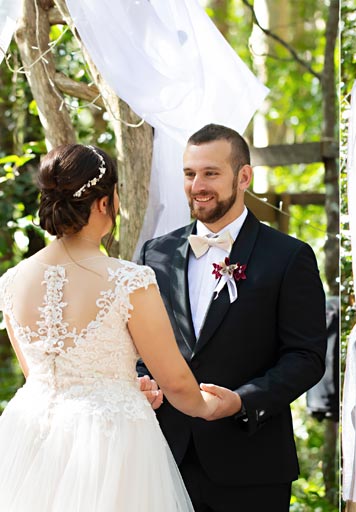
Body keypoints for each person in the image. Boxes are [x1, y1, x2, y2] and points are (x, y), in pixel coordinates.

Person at [0, 144, 225, 511]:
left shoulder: (10, 282)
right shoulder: (129, 280)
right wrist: (213, 407)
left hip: (27, 437)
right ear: (104, 203)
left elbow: (41, 375)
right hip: (110, 445)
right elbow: (177, 383)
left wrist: (117, 381)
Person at [136, 124, 327, 511]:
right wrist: (144, 382)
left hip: (251, 464)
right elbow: (142, 346)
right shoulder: (155, 254)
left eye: (210, 173)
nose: (197, 186)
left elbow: (306, 358)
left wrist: (240, 402)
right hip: (164, 460)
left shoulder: (289, 257)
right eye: (189, 174)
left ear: (243, 177)